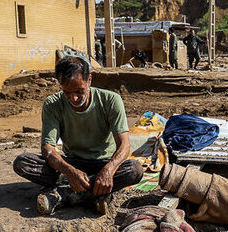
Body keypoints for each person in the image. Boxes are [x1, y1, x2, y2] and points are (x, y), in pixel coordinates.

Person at [12, 57, 143, 215]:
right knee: (23, 162)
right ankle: (96, 194)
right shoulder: (52, 104)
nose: (73, 98)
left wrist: (108, 170)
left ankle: (64, 195)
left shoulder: (110, 100)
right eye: (67, 92)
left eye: (79, 91)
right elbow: (47, 148)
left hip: (102, 164)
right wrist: (69, 172)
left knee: (134, 170)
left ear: (89, 80)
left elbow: (124, 145)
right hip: (71, 164)